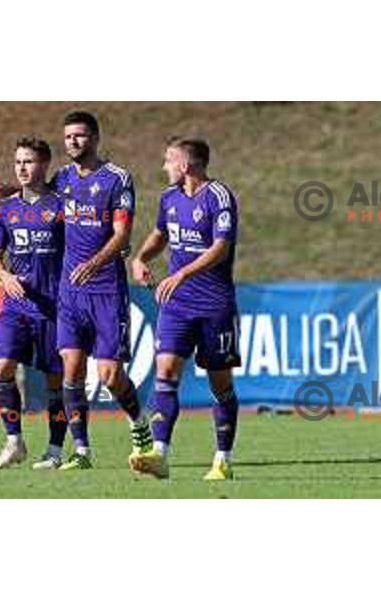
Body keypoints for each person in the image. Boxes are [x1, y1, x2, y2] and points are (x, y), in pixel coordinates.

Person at [129, 136, 241, 480]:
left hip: (214, 305)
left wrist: (181, 273)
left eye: (168, 161)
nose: (164, 167)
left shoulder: (219, 197)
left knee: (220, 386)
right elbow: (161, 232)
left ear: (185, 165)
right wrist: (141, 257)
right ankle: (159, 455)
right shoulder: (169, 198)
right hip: (177, 305)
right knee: (165, 375)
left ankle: (223, 459)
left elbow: (220, 247)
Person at [50, 110, 152, 470]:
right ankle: (81, 450)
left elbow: (122, 234)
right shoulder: (60, 178)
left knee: (110, 376)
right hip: (69, 292)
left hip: (106, 290)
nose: (72, 142)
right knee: (72, 370)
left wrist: (94, 263)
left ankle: (139, 424)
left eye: (79, 136)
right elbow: (37, 203)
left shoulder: (117, 178)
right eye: (67, 137)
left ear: (94, 138)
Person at [0, 137, 67, 470]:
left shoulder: (63, 206)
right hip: (16, 305)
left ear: (45, 164)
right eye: (18, 161)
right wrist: (4, 277)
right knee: (1, 369)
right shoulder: (4, 208)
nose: (22, 167)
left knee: (55, 383)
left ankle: (55, 448)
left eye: (29, 161)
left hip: (54, 306)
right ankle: (14, 441)